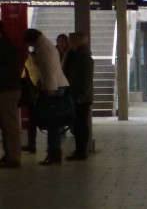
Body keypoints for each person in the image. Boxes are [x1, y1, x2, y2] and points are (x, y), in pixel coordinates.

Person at [24, 28, 69, 165]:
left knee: (52, 122)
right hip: (56, 85)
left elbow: (49, 69)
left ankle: (54, 153)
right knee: (53, 122)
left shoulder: (44, 48)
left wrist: (50, 88)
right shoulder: (45, 45)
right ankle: (54, 152)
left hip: (54, 87)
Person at [63, 32, 94, 161]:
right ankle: (79, 150)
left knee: (81, 124)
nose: (69, 43)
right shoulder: (73, 54)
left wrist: (82, 95)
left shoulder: (84, 56)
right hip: (75, 94)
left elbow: (86, 78)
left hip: (81, 96)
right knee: (77, 123)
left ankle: (82, 151)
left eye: (71, 40)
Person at [0, 30, 22, 168]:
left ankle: (14, 157)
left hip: (7, 90)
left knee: (10, 124)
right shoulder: (9, 45)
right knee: (6, 125)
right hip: (9, 88)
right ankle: (9, 154)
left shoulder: (4, 47)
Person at [20, 52, 40, 155]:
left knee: (32, 118)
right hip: (34, 88)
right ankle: (31, 143)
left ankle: (31, 144)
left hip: (31, 90)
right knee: (33, 118)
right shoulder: (31, 57)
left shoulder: (26, 57)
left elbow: (23, 74)